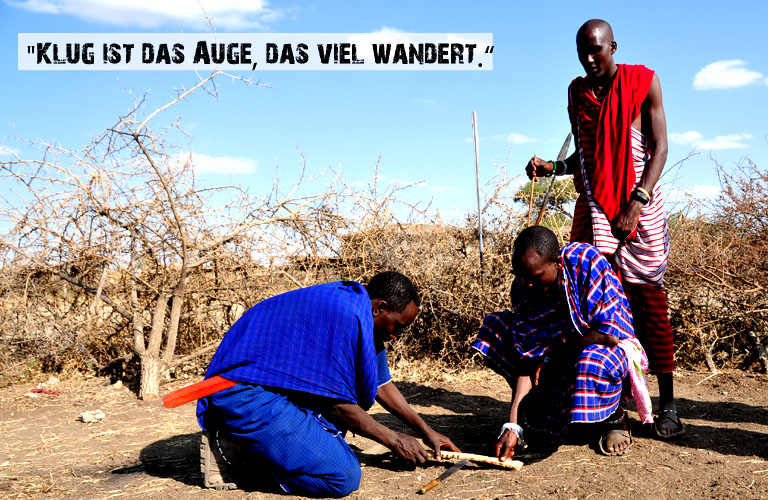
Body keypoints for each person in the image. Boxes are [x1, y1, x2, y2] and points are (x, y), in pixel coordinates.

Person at [525, 19, 684, 439]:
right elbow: (588, 155)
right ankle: (613, 411)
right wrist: (553, 169)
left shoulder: (643, 83)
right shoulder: (578, 94)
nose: (590, 58)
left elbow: (661, 148)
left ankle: (668, 405)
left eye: (597, 49)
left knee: (648, 304)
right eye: (583, 52)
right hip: (596, 210)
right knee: (598, 310)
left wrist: (637, 202)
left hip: (639, 209)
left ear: (613, 46)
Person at [196, 271, 459, 497]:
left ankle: (254, 443)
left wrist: (426, 431)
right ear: (380, 307)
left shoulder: (360, 312)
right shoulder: (345, 317)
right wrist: (395, 440)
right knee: (342, 476)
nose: (395, 335)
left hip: (264, 389)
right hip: (243, 393)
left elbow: (382, 385)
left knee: (334, 436)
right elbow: (337, 406)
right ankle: (235, 455)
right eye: (397, 327)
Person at [472, 226, 652, 460]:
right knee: (495, 328)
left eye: (534, 277)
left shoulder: (585, 262)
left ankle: (614, 417)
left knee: (593, 359)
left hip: (598, 351)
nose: (526, 284)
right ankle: (547, 411)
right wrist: (512, 424)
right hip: (556, 357)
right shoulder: (523, 287)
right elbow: (527, 358)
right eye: (520, 276)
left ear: (557, 262)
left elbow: (609, 335)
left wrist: (553, 357)